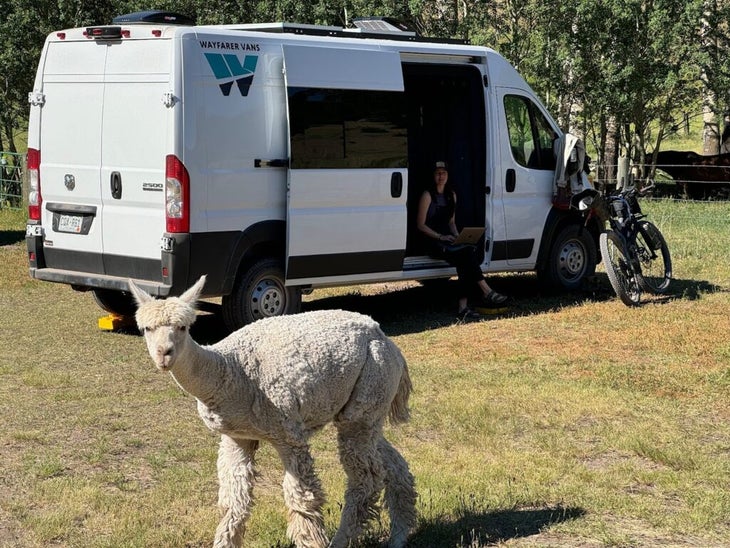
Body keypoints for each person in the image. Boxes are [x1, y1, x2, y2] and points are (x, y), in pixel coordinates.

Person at [416, 160, 508, 320]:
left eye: (443, 173)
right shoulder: (427, 195)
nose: (440, 176)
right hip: (432, 241)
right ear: (433, 176)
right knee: (466, 257)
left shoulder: (452, 195)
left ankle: (465, 307)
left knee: (466, 255)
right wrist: (440, 236)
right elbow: (420, 225)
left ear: (448, 175)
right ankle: (484, 293)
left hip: (448, 239)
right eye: (437, 173)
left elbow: (451, 222)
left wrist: (459, 237)